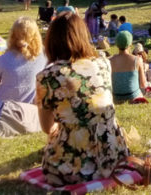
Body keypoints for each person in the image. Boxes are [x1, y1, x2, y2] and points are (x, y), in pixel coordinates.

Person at [36, 12, 129, 186]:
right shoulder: (103, 63)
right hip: (114, 154)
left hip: (72, 165)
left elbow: (47, 127)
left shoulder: (48, 76)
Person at [0, 17, 48, 137]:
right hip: (32, 114)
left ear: (13, 35)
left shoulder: (2, 61)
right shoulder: (45, 57)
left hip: (4, 115)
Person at [109, 31, 148, 103]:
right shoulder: (137, 60)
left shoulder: (109, 60)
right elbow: (143, 84)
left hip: (116, 98)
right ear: (130, 44)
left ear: (117, 44)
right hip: (134, 97)